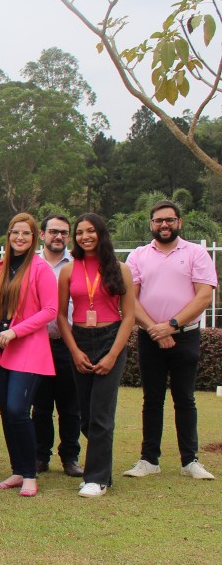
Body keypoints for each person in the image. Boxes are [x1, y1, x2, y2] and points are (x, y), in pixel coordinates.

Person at [123, 201, 217, 481]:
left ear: (179, 222)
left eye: (169, 220)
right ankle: (149, 459)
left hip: (185, 336)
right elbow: (130, 298)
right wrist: (155, 329)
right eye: (158, 221)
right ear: (151, 224)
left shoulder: (196, 253)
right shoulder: (138, 255)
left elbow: (203, 296)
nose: (164, 225)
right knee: (152, 399)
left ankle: (190, 460)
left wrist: (171, 325)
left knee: (185, 398)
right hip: (150, 337)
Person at [0, 213, 57, 498]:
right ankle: (17, 470)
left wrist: (15, 332)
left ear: (35, 237)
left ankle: (30, 475)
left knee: (18, 410)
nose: (20, 238)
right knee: (6, 413)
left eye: (26, 233)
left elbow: (50, 310)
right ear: (8, 236)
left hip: (27, 347)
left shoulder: (41, 268)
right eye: (15, 233)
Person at [58, 213, 136, 497]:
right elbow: (60, 317)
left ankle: (97, 478)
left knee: (101, 414)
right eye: (79, 232)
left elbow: (129, 316)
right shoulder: (69, 270)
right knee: (86, 417)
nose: (85, 236)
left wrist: (113, 355)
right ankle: (102, 469)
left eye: (90, 231)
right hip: (80, 340)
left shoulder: (120, 269)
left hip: (109, 339)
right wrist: (75, 351)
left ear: (101, 234)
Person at [32, 214, 84, 477]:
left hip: (68, 343)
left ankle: (70, 457)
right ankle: (40, 456)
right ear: (42, 234)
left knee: (69, 406)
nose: (59, 237)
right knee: (40, 406)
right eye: (53, 231)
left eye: (64, 232)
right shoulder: (31, 264)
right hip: (37, 344)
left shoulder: (77, 265)